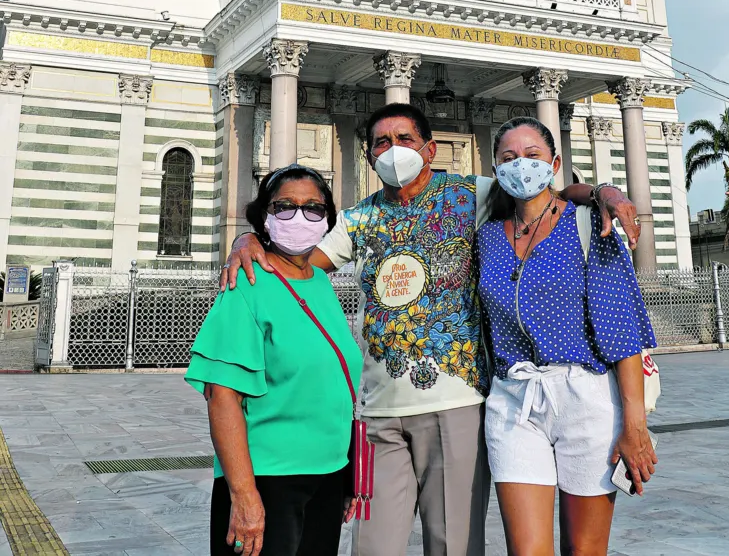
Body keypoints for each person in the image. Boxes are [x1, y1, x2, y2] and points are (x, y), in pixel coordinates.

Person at [221, 104, 640, 556]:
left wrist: (602, 191)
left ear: (430, 149)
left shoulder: (472, 194)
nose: (393, 150)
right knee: (372, 548)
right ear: (368, 156)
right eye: (382, 142)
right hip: (379, 413)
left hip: (456, 404)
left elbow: (544, 194)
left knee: (454, 546)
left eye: (404, 139)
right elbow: (296, 257)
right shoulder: (358, 220)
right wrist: (249, 237)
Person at [477, 118, 657, 556]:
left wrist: (634, 427)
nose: (521, 165)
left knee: (585, 549)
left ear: (555, 164)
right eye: (509, 157)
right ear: (495, 168)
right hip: (513, 398)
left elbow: (621, 332)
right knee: (527, 550)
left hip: (585, 397)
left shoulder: (593, 226)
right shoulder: (486, 237)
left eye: (533, 155)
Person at [186, 165, 363, 556]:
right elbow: (222, 396)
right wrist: (244, 496)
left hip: (328, 475)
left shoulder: (321, 282)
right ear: (264, 217)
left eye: (314, 208)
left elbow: (331, 382)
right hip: (268, 479)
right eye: (284, 207)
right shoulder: (244, 284)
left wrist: (347, 473)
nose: (299, 217)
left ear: (328, 220)